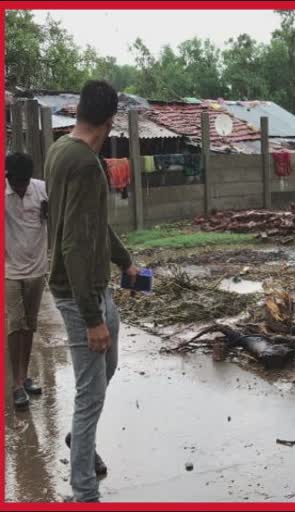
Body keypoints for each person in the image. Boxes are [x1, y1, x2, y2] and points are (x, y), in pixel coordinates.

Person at [45, 79, 139, 503]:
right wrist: (91, 318)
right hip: (79, 292)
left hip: (94, 287)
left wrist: (124, 260)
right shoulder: (85, 163)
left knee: (104, 370)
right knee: (91, 392)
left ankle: (76, 438)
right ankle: (84, 491)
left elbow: (90, 225)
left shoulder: (60, 148)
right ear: (109, 121)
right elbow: (73, 244)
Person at [5, 152, 48, 410]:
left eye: (24, 182)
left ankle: (24, 374)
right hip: (9, 271)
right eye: (16, 183)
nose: (21, 187)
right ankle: (16, 385)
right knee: (16, 324)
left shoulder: (42, 190)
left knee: (29, 325)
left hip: (37, 269)